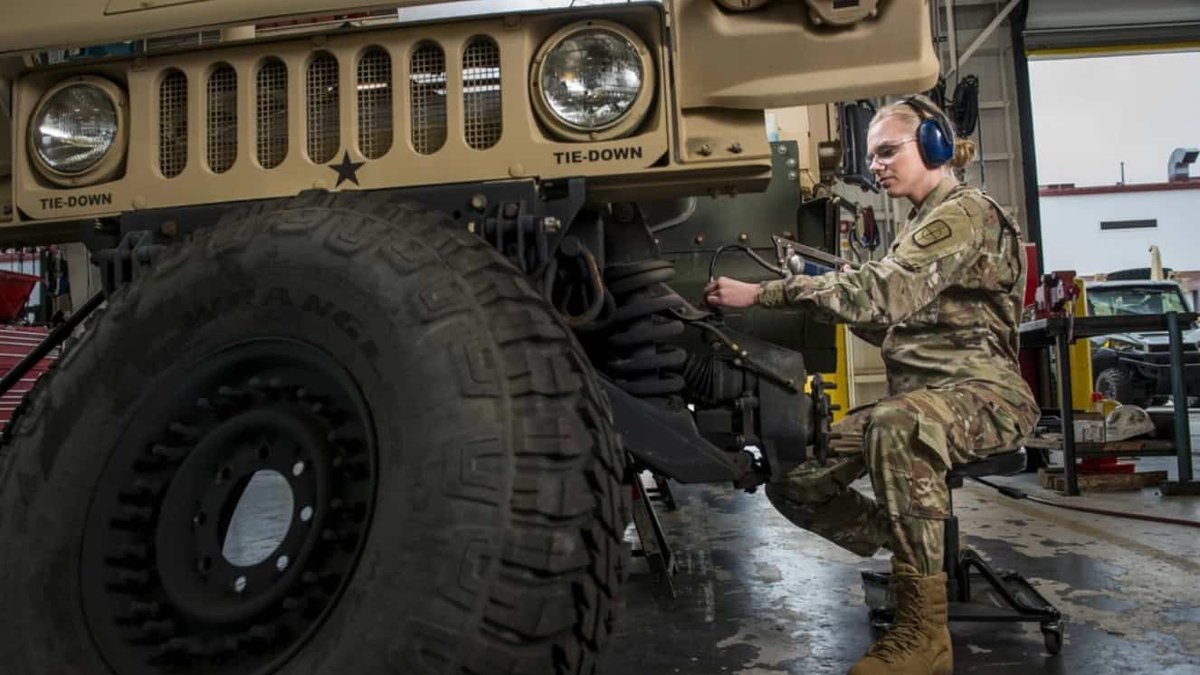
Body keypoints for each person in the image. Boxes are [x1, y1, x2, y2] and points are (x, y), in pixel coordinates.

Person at [704, 95, 1040, 675]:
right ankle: (924, 547)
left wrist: (764, 293)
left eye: (889, 150)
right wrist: (818, 282)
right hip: (923, 400)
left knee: (895, 425)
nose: (877, 164)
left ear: (935, 144)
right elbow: (879, 311)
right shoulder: (918, 228)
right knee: (797, 481)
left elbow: (880, 295)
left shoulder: (963, 214)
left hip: (986, 397)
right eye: (873, 155)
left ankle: (923, 635)